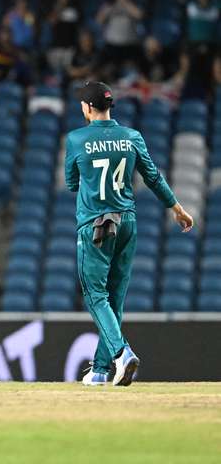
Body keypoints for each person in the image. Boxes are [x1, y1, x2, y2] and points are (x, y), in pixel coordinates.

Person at [65, 82, 194, 387]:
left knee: (95, 295)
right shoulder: (132, 137)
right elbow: (153, 176)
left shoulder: (76, 138)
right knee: (115, 297)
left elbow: (71, 183)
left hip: (96, 224)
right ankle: (99, 370)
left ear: (87, 107)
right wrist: (176, 208)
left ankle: (122, 354)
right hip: (128, 223)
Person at [96, 0, 143, 80]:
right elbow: (99, 20)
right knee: (109, 69)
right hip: (112, 45)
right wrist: (109, 8)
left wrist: (126, 4)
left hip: (129, 44)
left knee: (132, 69)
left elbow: (139, 15)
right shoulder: (109, 6)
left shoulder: (131, 5)